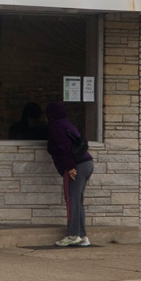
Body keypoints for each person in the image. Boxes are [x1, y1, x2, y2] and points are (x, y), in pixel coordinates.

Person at [45, 101, 94, 247]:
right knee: (77, 201)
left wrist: (69, 166)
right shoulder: (68, 124)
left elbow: (64, 148)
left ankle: (73, 235)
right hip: (87, 164)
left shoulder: (56, 127)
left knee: (72, 201)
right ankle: (82, 236)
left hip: (75, 166)